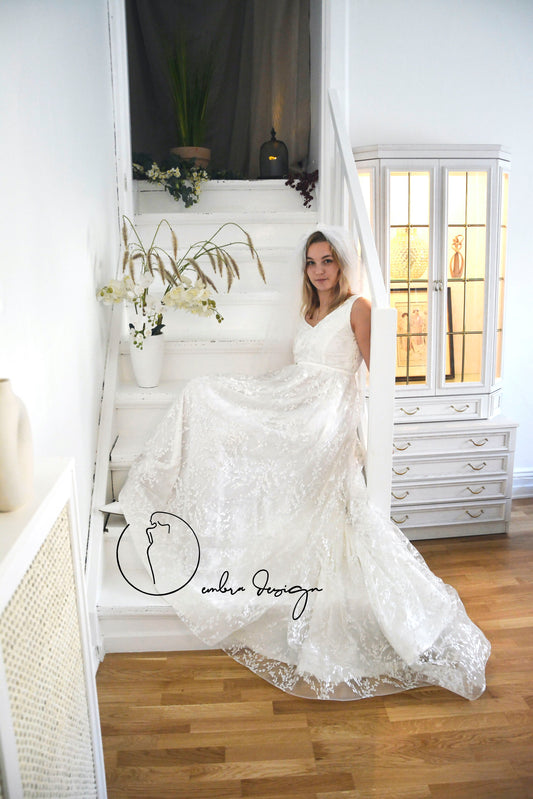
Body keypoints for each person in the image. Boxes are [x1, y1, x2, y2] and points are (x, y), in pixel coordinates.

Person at [119, 225, 490, 701]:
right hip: (296, 396)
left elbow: (380, 374)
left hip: (327, 413)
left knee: (279, 441)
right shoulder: (307, 310)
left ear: (342, 264)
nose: (319, 271)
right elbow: (299, 368)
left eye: (327, 261)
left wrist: (355, 428)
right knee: (202, 392)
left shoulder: (358, 308)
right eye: (312, 263)